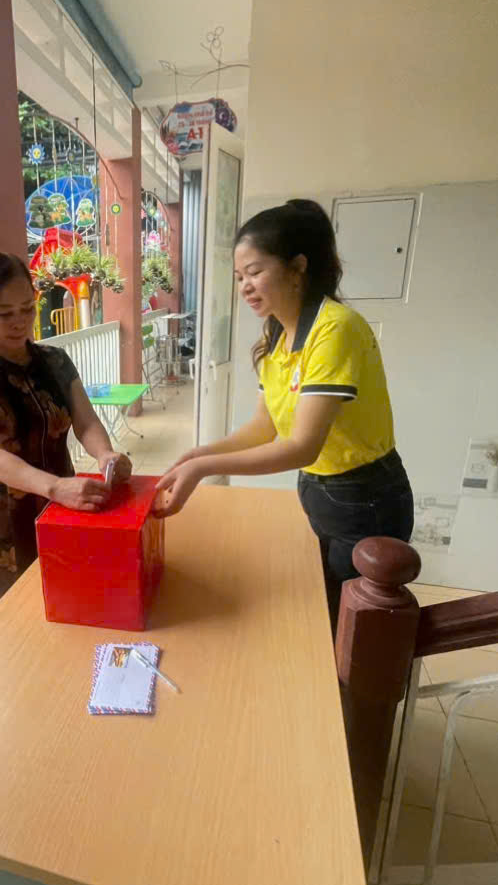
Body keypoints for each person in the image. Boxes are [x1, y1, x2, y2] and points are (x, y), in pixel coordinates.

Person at [154, 200, 413, 624]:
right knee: (326, 609)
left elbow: (302, 446)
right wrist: (199, 454)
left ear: (297, 267)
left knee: (351, 623)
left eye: (255, 272)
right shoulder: (277, 335)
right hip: (319, 490)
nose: (245, 287)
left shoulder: (335, 329)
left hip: (364, 499)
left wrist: (204, 469)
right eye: (239, 277)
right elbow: (263, 428)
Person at [0, 251, 132, 625]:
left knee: (68, 603)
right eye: (4, 313)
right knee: (15, 621)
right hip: (3, 518)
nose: (20, 322)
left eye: (27, 309)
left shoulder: (55, 361)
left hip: (61, 505)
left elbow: (86, 422)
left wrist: (105, 455)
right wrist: (55, 487)